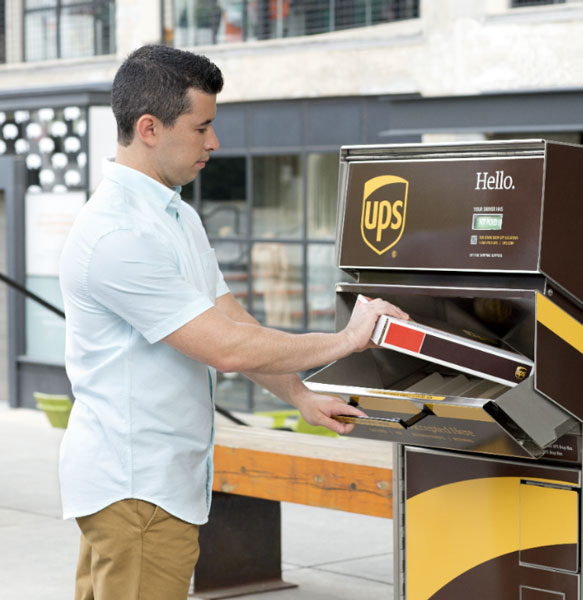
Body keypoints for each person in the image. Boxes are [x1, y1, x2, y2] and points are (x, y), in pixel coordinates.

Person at [58, 44, 408, 600]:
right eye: (202, 127)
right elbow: (226, 349)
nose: (214, 143)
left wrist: (298, 395)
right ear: (149, 128)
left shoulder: (175, 215)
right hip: (138, 491)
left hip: (153, 486)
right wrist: (346, 339)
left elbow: (230, 319)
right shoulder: (116, 235)